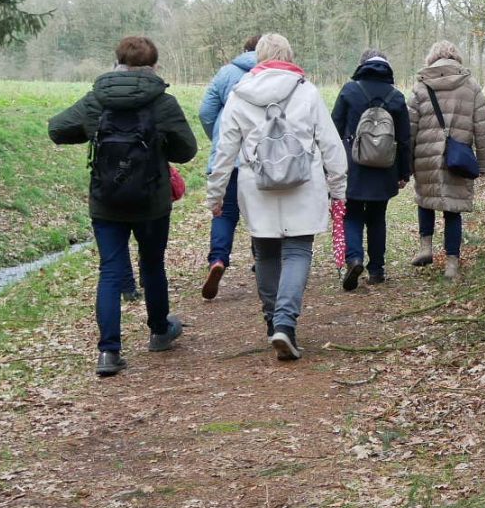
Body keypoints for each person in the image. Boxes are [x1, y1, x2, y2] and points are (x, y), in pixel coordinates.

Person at [49, 35, 198, 377]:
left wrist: (91, 132)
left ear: (117, 62)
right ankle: (159, 332)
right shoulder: (162, 102)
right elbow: (186, 150)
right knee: (153, 264)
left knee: (110, 271)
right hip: (152, 201)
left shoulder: (96, 99)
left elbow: (57, 130)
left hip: (106, 201)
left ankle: (108, 352)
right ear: (153, 65)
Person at [206, 33, 348, 360]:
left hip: (256, 186)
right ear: (289, 55)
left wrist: (216, 194)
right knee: (297, 251)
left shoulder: (239, 95)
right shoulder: (306, 91)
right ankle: (285, 323)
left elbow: (225, 151)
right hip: (303, 183)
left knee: (265, 253)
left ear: (258, 58)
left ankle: (273, 321)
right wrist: (338, 188)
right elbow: (330, 144)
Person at [407, 40, 485, 281]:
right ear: (456, 57)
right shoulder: (471, 86)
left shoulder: (421, 86)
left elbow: (410, 127)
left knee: (425, 200)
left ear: (432, 58)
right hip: (458, 156)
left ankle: (425, 248)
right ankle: (452, 264)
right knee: (453, 209)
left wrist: (407, 163)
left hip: (425, 154)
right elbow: (482, 128)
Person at [330, 48, 413, 290]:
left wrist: (331, 165)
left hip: (353, 166)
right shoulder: (396, 97)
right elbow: (404, 139)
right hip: (385, 168)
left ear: (362, 66)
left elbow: (334, 129)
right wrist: (403, 173)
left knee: (352, 214)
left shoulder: (349, 91)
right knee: (377, 217)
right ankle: (376, 270)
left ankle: (354, 258)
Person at [197, 34, 261, 299]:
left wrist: (218, 137)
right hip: (262, 157)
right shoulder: (275, 74)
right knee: (260, 210)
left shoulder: (226, 73)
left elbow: (205, 112)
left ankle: (218, 260)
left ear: (244, 49)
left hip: (229, 156)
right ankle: (262, 260)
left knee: (224, 213)